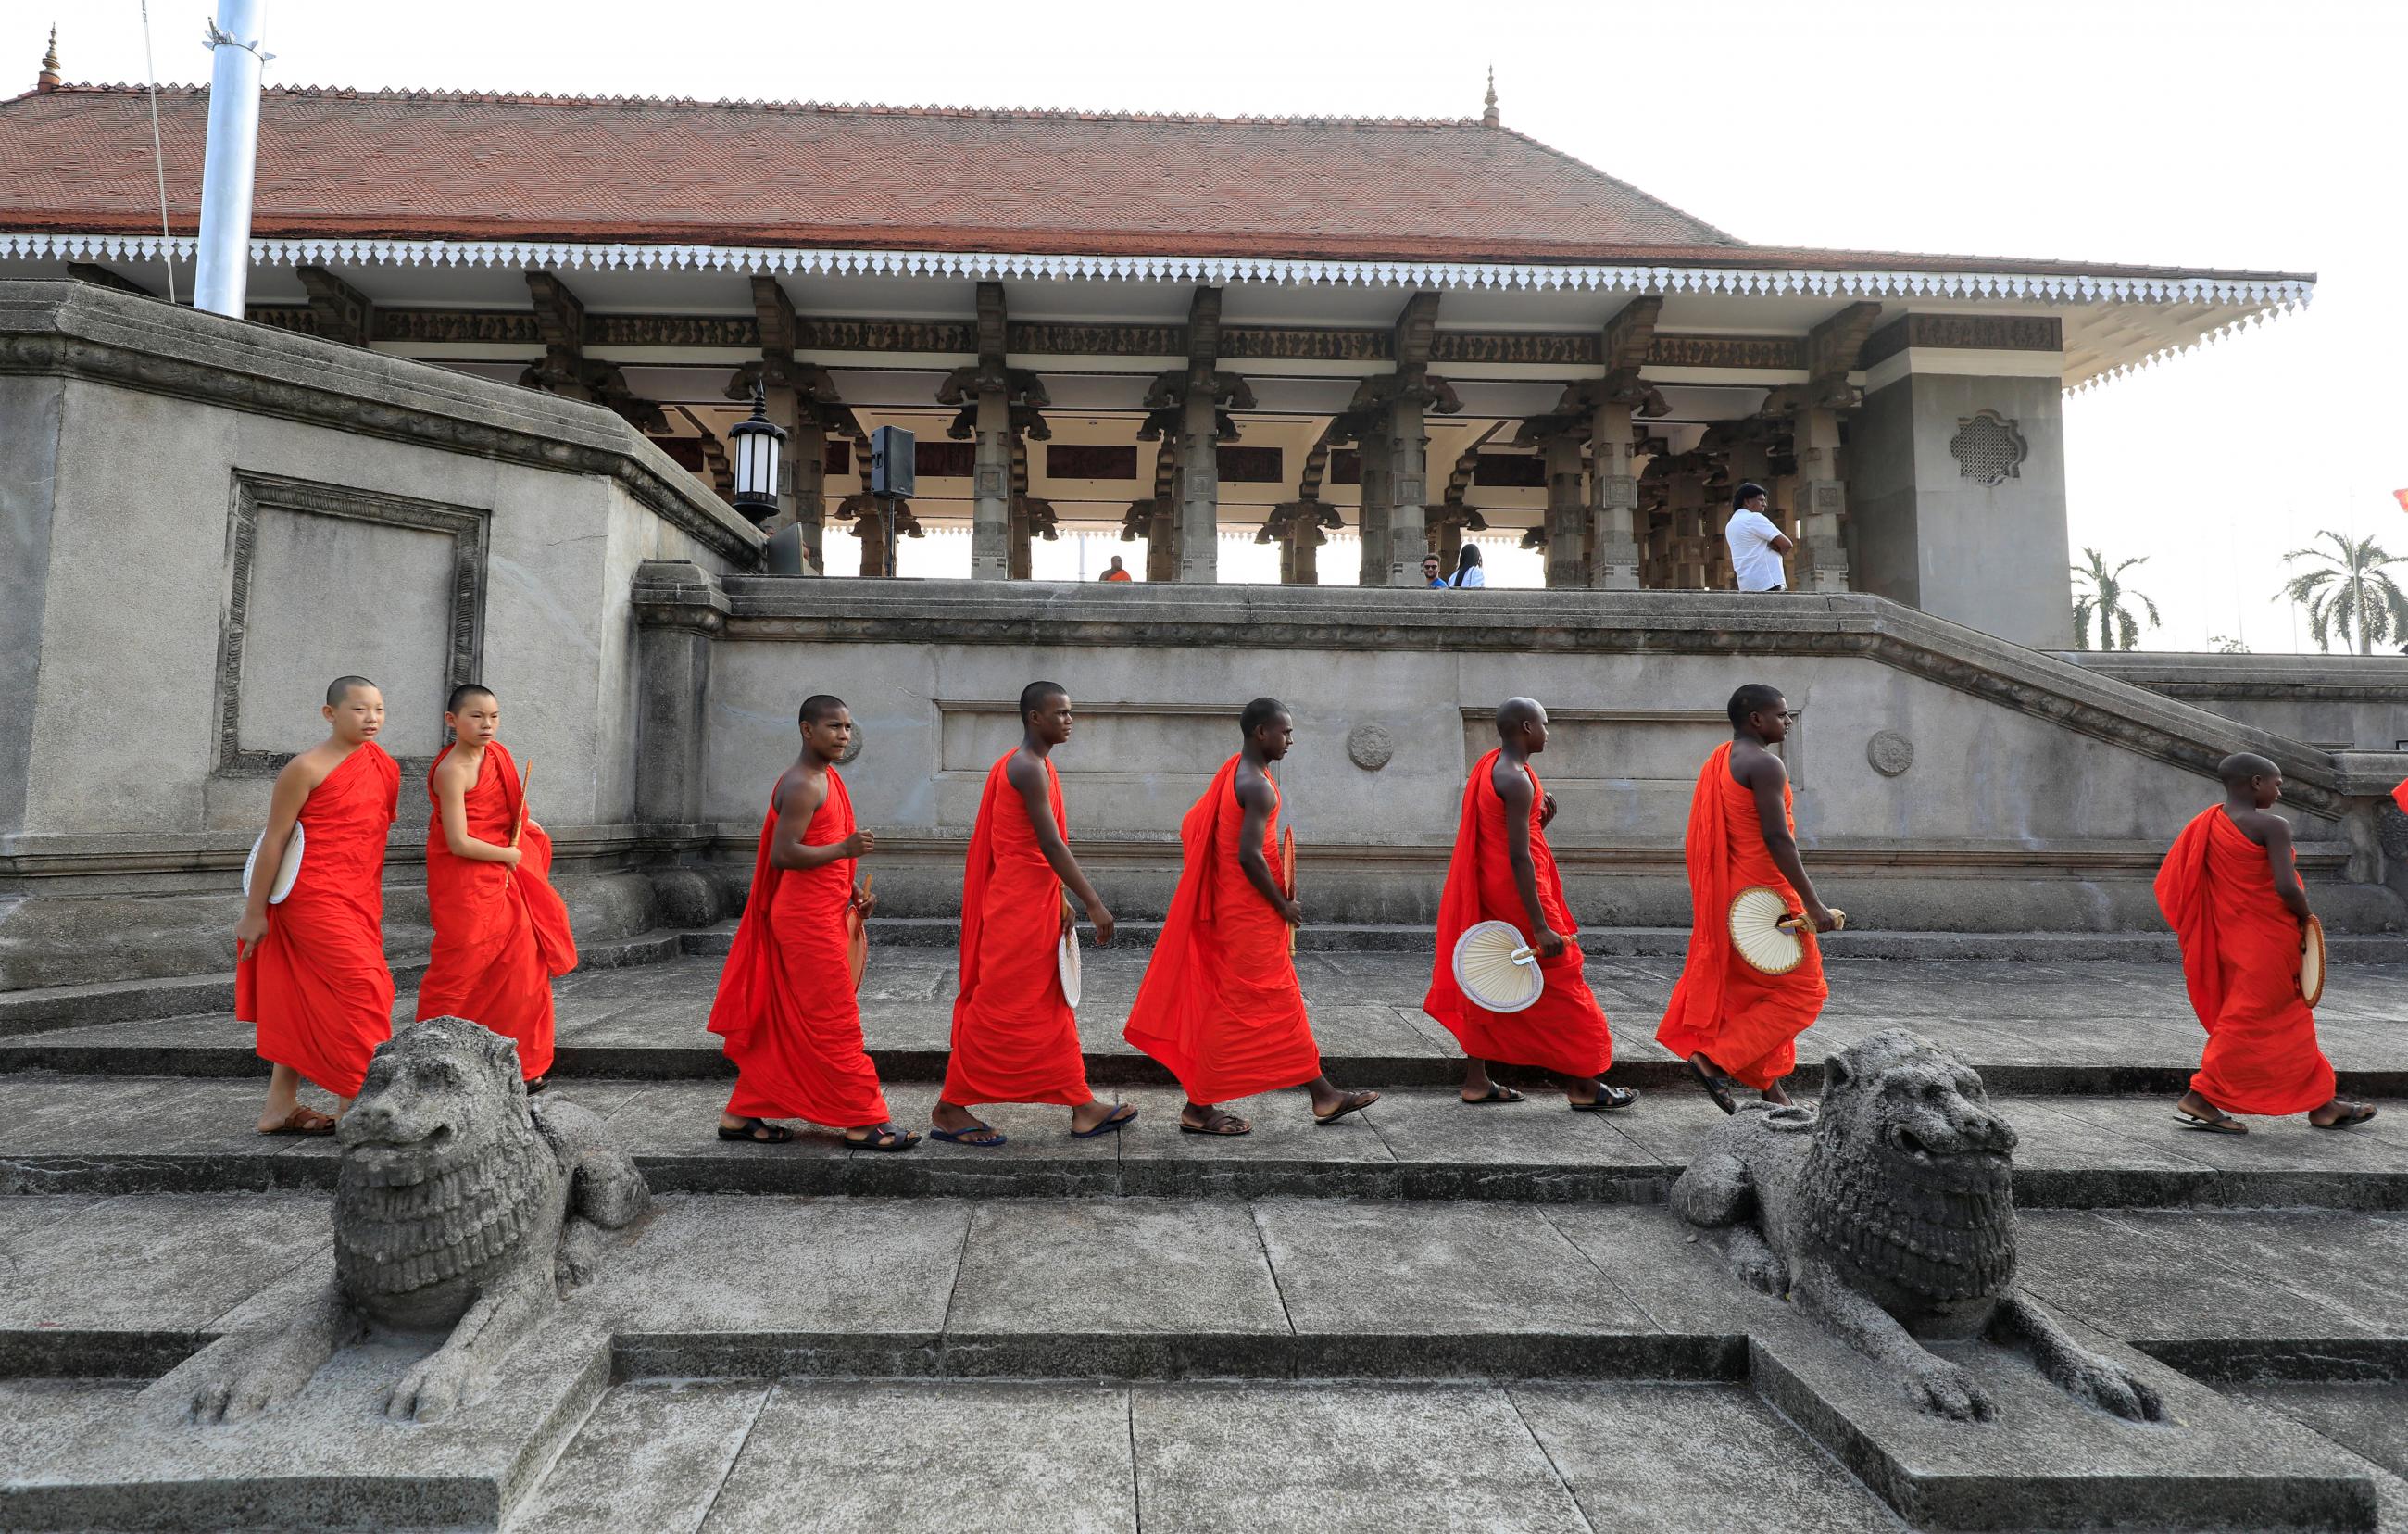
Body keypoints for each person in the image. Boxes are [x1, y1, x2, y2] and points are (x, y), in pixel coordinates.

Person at [1123, 698, 1379, 1135]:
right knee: (1256, 1002)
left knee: (1260, 1001)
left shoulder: (1235, 771)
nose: (1291, 740)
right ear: (1261, 732)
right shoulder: (1257, 785)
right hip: (1250, 914)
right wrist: (1282, 904)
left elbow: (1194, 826)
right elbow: (1248, 855)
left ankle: (1320, 1095)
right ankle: (1203, 1107)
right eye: (1285, 732)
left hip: (1236, 908)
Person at [708, 695, 918, 1150]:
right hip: (803, 921)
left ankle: (740, 1114)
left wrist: (851, 890)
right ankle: (863, 1120)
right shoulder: (804, 783)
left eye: (847, 727)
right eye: (833, 727)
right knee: (835, 1020)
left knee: (793, 1021)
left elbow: (817, 849)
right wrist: (844, 851)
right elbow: (785, 854)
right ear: (807, 730)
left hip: (822, 910)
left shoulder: (827, 778)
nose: (843, 735)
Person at [934, 682, 1137, 1145]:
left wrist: (1060, 897)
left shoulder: (1037, 763)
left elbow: (1027, 849)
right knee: (1000, 1004)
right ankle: (950, 1106)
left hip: (1033, 898)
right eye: (1060, 713)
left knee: (1047, 1004)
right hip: (1017, 907)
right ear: (1033, 718)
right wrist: (1092, 900)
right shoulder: (1026, 767)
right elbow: (1048, 844)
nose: (1069, 720)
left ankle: (1081, 1103)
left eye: (1070, 712)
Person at [1423, 698, 1636, 1111]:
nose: (1547, 731)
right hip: (1522, 898)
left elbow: (1508, 834)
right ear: (1525, 727)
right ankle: (1584, 1086)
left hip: (1494, 890)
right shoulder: (1516, 779)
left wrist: (1539, 822)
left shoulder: (1491, 766)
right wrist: (1540, 925)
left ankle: (1476, 1081)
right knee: (1563, 978)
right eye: (1543, 723)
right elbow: (1519, 855)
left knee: (1490, 976)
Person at [2157, 753, 2375, 1133]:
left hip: (2233, 935)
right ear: (2256, 782)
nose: (2280, 789)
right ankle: (2201, 1095)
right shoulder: (2272, 825)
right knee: (2249, 1016)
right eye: (2276, 782)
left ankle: (2322, 1104)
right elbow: (2286, 885)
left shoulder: (2207, 824)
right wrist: (2307, 917)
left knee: (2291, 1015)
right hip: (2269, 937)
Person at [1656, 684, 1836, 1113]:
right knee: (1804, 992)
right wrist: (1813, 903)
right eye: (1781, 714)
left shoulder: (1722, 759)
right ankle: (1716, 1061)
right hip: (1769, 899)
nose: (1788, 722)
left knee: (1756, 994)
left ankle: (1773, 1092)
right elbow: (1778, 837)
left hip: (1732, 897)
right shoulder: (1766, 764)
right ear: (1756, 719)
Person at [234, 676, 401, 1134]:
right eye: (359, 710)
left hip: (359, 896)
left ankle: (279, 1105)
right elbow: (275, 840)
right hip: (312, 896)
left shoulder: (384, 765)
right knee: (366, 987)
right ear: (330, 714)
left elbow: (370, 833)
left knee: (302, 993)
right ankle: (357, 1103)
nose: (372, 719)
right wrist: (255, 912)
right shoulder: (305, 768)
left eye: (379, 710)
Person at [415, 684, 577, 1090]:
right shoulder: (453, 770)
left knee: (522, 968)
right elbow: (458, 842)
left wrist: (527, 827)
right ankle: (433, 1059)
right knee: (461, 968)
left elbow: (511, 809)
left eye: (494, 716)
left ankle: (521, 1064)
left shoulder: (498, 754)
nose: (487, 725)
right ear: (452, 721)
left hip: (507, 876)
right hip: (468, 882)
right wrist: (508, 855)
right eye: (476, 716)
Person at [1724, 483, 1793, 593]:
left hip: (1746, 585)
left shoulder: (1730, 525)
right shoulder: (1754, 518)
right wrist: (1777, 549)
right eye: (1761, 500)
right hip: (1768, 582)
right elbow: (1787, 544)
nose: (1765, 504)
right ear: (1747, 501)